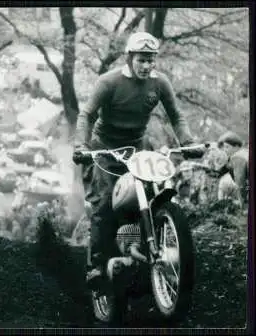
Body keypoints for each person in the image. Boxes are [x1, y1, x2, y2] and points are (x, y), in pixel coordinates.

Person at [72, 32, 203, 285]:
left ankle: (150, 245)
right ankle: (96, 267)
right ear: (130, 57)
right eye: (142, 60)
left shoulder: (160, 83)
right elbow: (86, 115)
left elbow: (176, 116)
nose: (146, 66)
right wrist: (81, 145)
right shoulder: (109, 82)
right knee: (105, 203)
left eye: (151, 60)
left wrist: (188, 143)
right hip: (105, 148)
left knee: (154, 193)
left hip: (137, 145)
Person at [215, 131, 249, 205]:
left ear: (236, 146)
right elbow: (219, 172)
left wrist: (242, 205)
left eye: (227, 147)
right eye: (224, 147)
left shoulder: (237, 157)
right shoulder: (245, 152)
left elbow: (240, 184)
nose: (225, 150)